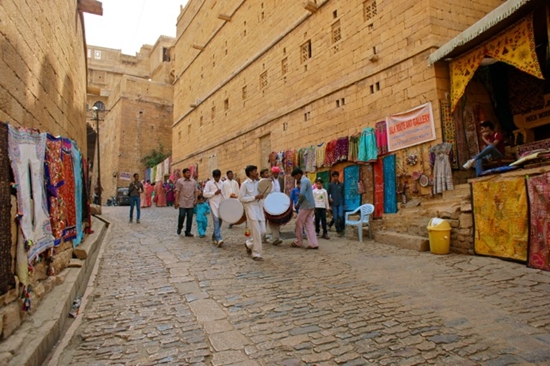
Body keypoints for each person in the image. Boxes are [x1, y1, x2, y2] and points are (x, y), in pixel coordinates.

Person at [240, 165, 266, 261]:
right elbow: (241, 198)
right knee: (256, 231)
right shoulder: (245, 184)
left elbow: (265, 191)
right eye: (255, 171)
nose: (256, 172)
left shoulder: (259, 183)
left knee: (263, 231)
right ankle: (256, 254)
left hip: (259, 209)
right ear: (250, 172)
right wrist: (254, 197)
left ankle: (249, 244)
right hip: (250, 209)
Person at [290, 168, 319, 249]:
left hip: (305, 205)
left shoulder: (303, 181)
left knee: (298, 222)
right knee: (309, 224)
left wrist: (298, 203)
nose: (296, 179)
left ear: (298, 175)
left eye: (295, 177)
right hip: (310, 205)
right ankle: (313, 243)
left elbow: (302, 194)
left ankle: (299, 241)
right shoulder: (307, 180)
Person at [203, 169, 225, 247]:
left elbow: (224, 194)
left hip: (221, 204)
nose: (217, 178)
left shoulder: (222, 183)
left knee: (220, 220)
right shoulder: (209, 183)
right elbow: (205, 194)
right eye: (216, 177)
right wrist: (214, 193)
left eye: (218, 177)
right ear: (213, 176)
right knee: (216, 220)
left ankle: (214, 236)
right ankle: (219, 238)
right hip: (213, 204)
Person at [175, 168, 198, 237]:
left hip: (190, 202)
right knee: (181, 215)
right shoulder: (179, 181)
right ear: (184, 174)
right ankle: (180, 226)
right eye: (187, 172)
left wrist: (196, 200)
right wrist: (176, 201)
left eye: (189, 172)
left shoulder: (193, 181)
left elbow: (196, 191)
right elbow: (177, 191)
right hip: (182, 202)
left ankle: (188, 231)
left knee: (190, 217)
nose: (189, 174)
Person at [268, 166, 285, 245]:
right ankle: (274, 236)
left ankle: (276, 233)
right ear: (272, 173)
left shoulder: (281, 180)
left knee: (279, 217)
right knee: (272, 218)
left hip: (279, 200)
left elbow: (282, 190)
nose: (276, 174)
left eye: (277, 173)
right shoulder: (269, 180)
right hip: (271, 201)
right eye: (274, 173)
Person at [327, 171, 345, 237]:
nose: (335, 178)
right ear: (332, 177)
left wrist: (344, 203)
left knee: (341, 216)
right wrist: (329, 198)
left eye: (336, 176)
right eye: (334, 177)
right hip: (334, 203)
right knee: (335, 217)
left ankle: (342, 228)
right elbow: (327, 193)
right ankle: (338, 230)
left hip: (340, 202)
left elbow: (343, 194)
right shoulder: (330, 185)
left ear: (338, 176)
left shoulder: (342, 184)